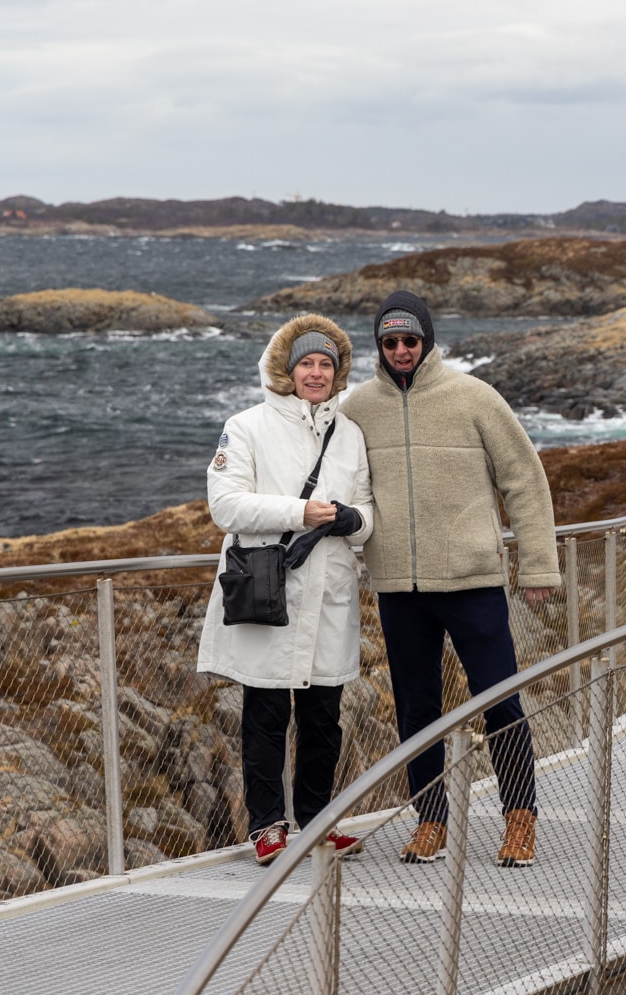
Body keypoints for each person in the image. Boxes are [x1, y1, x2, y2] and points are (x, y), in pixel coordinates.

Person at [341, 290, 559, 867]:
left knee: (500, 702)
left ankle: (520, 820)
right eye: (390, 341)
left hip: (472, 582)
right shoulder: (357, 407)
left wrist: (538, 564)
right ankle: (430, 821)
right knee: (417, 712)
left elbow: (524, 480)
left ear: (427, 340)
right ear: (379, 346)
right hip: (400, 589)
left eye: (410, 339)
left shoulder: (474, 397)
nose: (401, 350)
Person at [197, 314, 375, 866]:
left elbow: (368, 510)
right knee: (266, 715)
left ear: (337, 372)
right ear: (287, 370)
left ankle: (319, 824)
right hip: (270, 590)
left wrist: (355, 521)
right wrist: (301, 513)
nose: (316, 373)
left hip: (329, 596)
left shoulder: (350, 435)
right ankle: (267, 827)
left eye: (326, 365)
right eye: (307, 364)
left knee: (324, 721)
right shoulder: (245, 426)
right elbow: (226, 506)